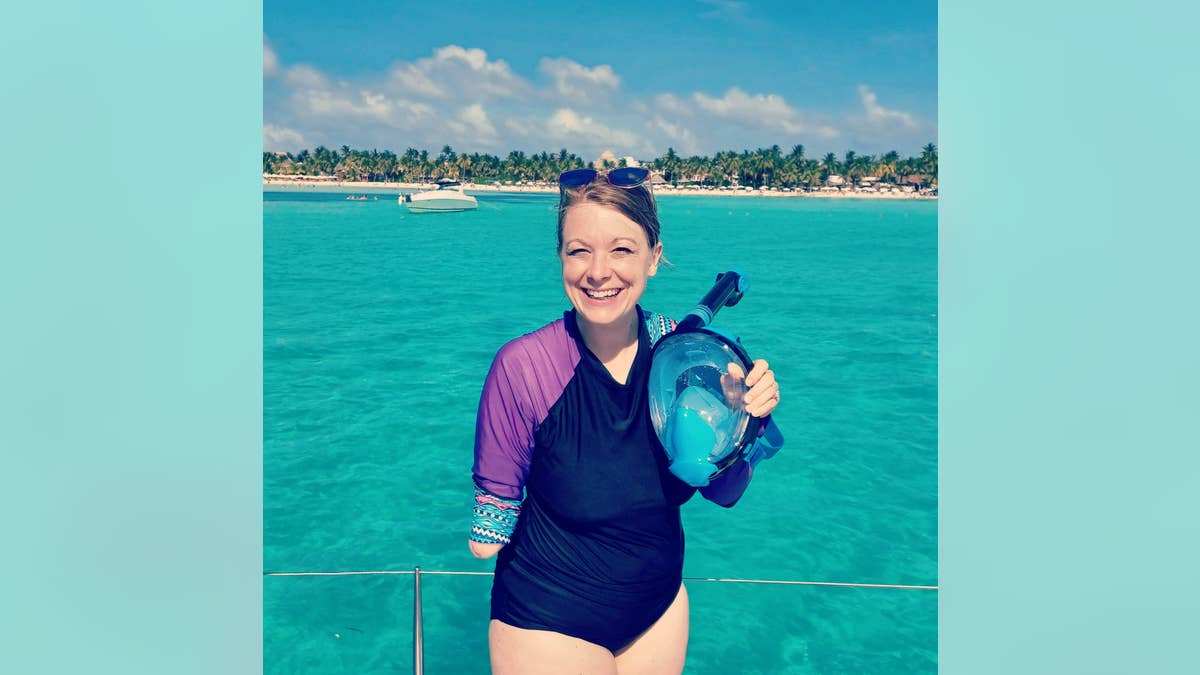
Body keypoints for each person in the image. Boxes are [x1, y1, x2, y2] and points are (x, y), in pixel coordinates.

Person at [469, 166, 781, 675]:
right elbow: (488, 534)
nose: (598, 272)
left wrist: (745, 419)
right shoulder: (524, 367)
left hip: (659, 611)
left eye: (621, 249)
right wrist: (491, 517)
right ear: (560, 256)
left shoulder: (689, 360)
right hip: (549, 618)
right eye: (579, 250)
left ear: (653, 258)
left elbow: (724, 492)